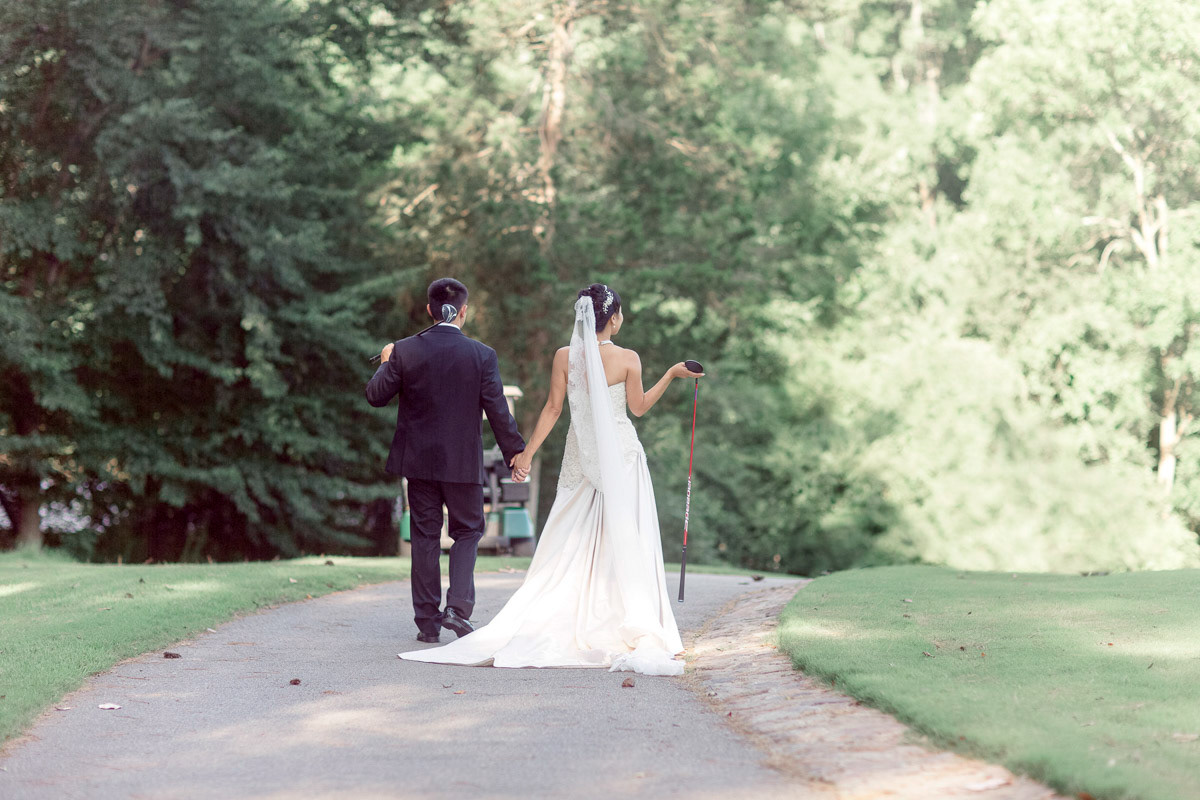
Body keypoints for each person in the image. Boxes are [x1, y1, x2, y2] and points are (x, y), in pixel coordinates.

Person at [399, 283, 704, 675]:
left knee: (571, 533)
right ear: (613, 318)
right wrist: (672, 374)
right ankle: (622, 612)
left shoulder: (565, 356)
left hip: (580, 454)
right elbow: (639, 408)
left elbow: (553, 409)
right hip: (621, 457)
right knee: (626, 534)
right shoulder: (629, 358)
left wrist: (525, 454)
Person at [366, 278, 525, 644]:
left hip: (419, 462)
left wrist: (387, 361)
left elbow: (375, 395)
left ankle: (427, 623)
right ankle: (457, 609)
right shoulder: (482, 355)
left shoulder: (405, 350)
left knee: (424, 536)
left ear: (429, 310)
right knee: (467, 532)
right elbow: (498, 411)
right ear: (464, 311)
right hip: (462, 464)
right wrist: (515, 454)